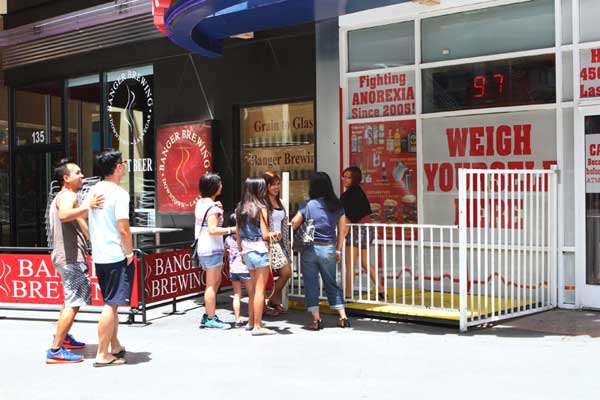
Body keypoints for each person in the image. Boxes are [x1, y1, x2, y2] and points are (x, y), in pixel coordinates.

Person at [46, 159, 104, 364]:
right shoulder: (68, 195)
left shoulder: (71, 197)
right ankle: (55, 350)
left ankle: (63, 338)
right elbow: (64, 215)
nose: (82, 176)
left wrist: (94, 243)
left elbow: (80, 223)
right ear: (66, 178)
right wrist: (88, 205)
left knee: (68, 301)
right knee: (74, 303)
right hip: (70, 258)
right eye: (77, 173)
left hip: (69, 256)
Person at [87, 148, 134, 367]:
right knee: (111, 305)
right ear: (117, 167)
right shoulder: (119, 193)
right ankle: (102, 353)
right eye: (122, 162)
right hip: (115, 255)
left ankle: (114, 344)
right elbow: (123, 228)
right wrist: (129, 253)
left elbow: (85, 220)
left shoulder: (93, 190)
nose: (124, 166)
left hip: (100, 255)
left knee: (110, 301)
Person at [291, 172, 350, 330]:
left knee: (311, 283)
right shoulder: (337, 205)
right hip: (329, 247)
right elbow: (343, 230)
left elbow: (295, 223)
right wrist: (338, 250)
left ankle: (317, 320)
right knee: (331, 282)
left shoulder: (307, 205)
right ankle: (343, 317)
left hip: (310, 248)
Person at [236, 177, 278, 336]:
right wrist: (275, 234)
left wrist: (240, 251)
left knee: (253, 290)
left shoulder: (240, 208)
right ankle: (258, 326)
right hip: (260, 250)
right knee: (260, 290)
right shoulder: (262, 208)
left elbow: (238, 232)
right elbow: (266, 234)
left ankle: (251, 321)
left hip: (246, 251)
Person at [195, 173, 234, 330]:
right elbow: (212, 229)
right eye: (219, 183)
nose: (221, 186)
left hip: (204, 248)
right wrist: (232, 229)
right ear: (214, 187)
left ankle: (209, 314)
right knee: (211, 285)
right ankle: (210, 317)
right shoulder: (212, 207)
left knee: (215, 282)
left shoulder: (201, 203)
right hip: (212, 248)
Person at [340, 166, 385, 300]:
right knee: (365, 263)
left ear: (354, 179)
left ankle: (348, 295)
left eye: (348, 177)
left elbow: (347, 219)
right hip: (367, 229)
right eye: (344, 176)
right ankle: (381, 289)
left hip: (355, 230)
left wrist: (341, 240)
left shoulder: (347, 196)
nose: (345, 179)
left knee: (350, 265)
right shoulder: (360, 192)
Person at [263, 171, 291, 315]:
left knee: (286, 273)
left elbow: (285, 224)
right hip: (268, 243)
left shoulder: (282, 202)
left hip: (281, 243)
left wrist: (287, 242)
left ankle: (273, 299)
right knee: (265, 277)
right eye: (272, 184)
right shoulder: (262, 203)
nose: (276, 187)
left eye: (278, 184)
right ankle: (264, 305)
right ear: (266, 186)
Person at [224, 212, 249, 328]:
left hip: (233, 270)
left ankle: (237, 319)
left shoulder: (228, 239)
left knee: (237, 295)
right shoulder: (244, 237)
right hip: (245, 269)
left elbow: (225, 250)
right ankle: (252, 320)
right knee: (252, 294)